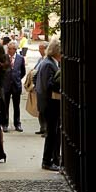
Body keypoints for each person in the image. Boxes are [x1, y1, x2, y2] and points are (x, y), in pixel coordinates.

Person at [36, 37, 62, 171]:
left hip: (51, 104)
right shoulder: (48, 64)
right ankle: (47, 161)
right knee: (51, 133)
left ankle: (56, 159)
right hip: (49, 104)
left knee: (55, 132)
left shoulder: (50, 62)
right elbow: (48, 85)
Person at [2, 40, 26, 132]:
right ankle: (5, 123)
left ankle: (17, 124)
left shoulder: (20, 58)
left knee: (17, 106)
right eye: (8, 48)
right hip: (6, 85)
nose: (9, 50)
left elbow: (22, 71)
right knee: (5, 106)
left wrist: (17, 78)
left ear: (15, 49)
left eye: (11, 49)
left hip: (16, 85)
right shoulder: (4, 58)